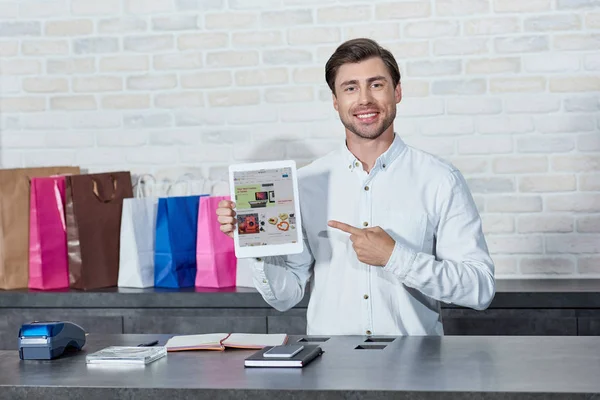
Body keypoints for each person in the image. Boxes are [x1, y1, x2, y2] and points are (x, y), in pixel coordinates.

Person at [217, 38, 495, 336]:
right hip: (330, 368)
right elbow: (287, 296)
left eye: (376, 85)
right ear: (336, 101)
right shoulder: (304, 183)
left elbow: (479, 289)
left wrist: (395, 257)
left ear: (397, 91)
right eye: (350, 88)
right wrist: (255, 244)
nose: (364, 99)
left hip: (416, 366)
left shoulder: (440, 180)